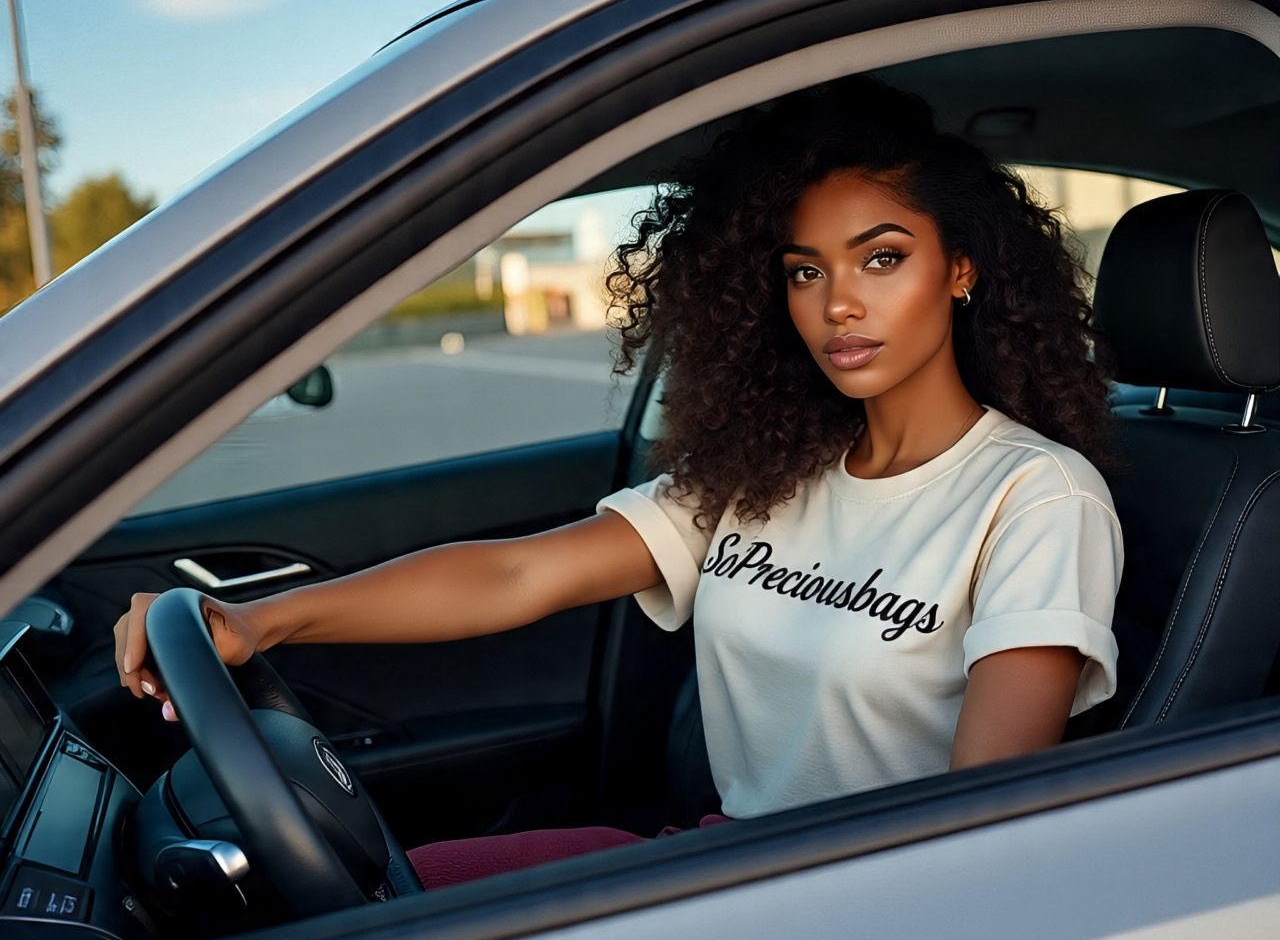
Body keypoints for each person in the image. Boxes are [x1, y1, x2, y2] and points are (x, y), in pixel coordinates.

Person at [113, 74, 1127, 889]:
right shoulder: (773, 470)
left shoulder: (1037, 496)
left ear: (959, 270)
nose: (837, 306)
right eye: (804, 271)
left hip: (845, 911)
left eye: (882, 258)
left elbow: (976, 834)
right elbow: (518, 575)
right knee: (380, 895)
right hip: (720, 859)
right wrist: (262, 621)